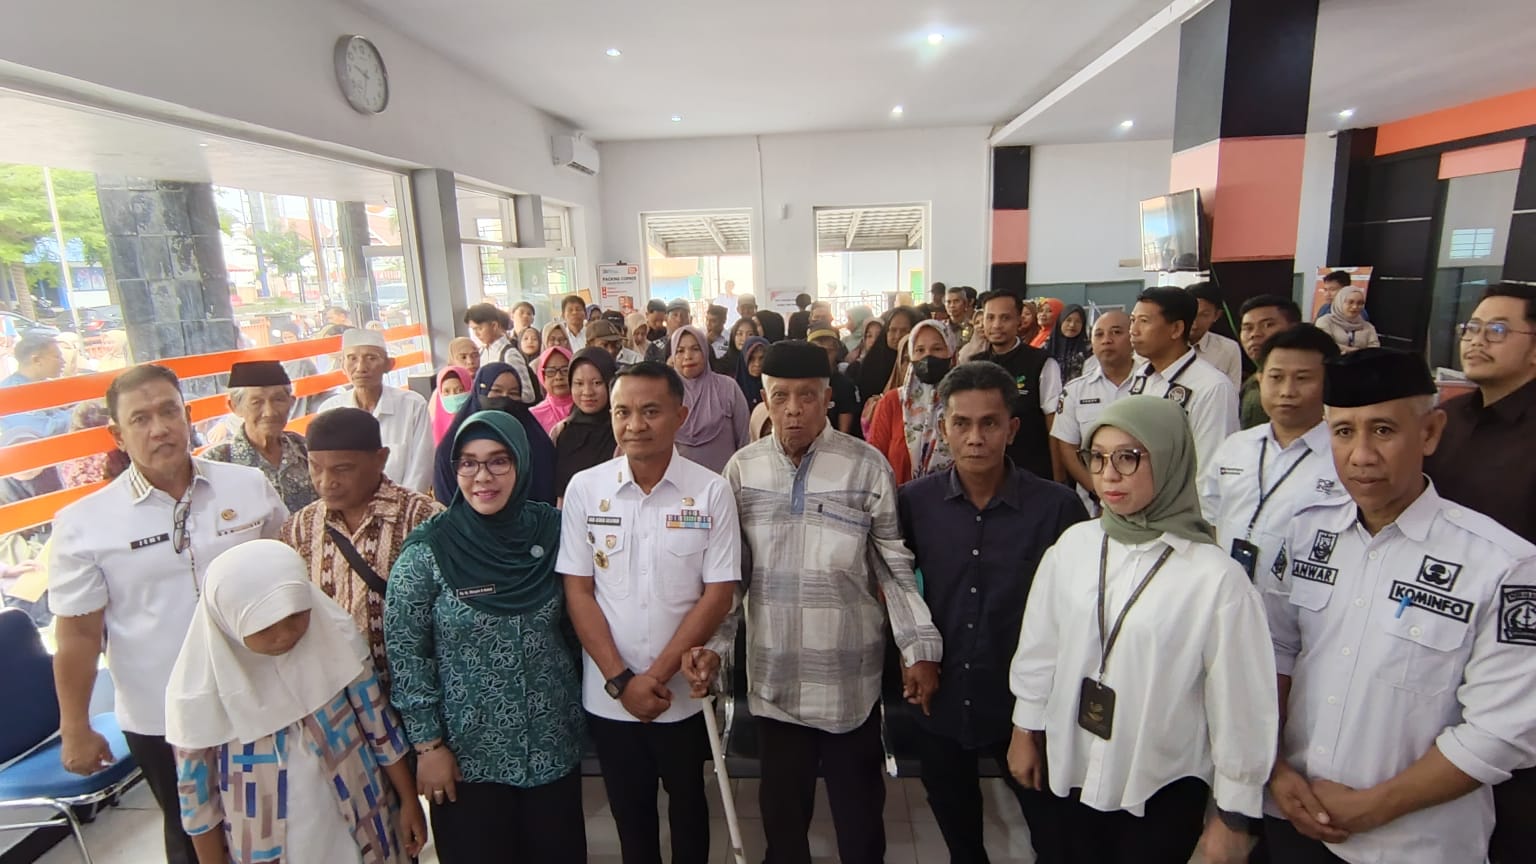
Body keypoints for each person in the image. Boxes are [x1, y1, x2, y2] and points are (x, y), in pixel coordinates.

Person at [1258, 348, 1536, 864]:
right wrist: (1273, 765)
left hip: (1414, 845)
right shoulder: (1303, 533)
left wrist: (1373, 807)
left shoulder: (1503, 565)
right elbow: (1275, 652)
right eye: (1343, 432)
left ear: (1429, 432)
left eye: (1383, 430)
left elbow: (1502, 731)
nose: (1361, 455)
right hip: (1293, 821)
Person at [684, 340, 943, 864]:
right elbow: (731, 579)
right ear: (764, 399)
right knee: (782, 820)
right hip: (774, 677)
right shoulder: (742, 471)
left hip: (849, 679)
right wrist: (715, 645)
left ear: (828, 398)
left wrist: (919, 648)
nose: (794, 409)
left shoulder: (865, 466)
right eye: (780, 396)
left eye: (807, 396)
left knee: (860, 819)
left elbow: (893, 568)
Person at [1007, 395, 1278, 864]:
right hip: (1070, 761)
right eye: (1098, 457)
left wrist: (1234, 814)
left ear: (1170, 459)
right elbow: (1040, 646)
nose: (1108, 474)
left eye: (1128, 457)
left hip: (1160, 782)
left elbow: (1240, 703)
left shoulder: (1215, 578)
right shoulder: (1075, 546)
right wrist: (1024, 726)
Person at [48, 364, 288, 864]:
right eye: (140, 419)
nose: (159, 428)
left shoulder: (247, 487)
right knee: (192, 836)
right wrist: (75, 725)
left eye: (168, 412)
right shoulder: (84, 523)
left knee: (280, 820)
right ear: (118, 434)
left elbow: (286, 575)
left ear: (188, 415)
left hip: (262, 690)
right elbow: (78, 635)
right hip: (161, 715)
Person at [900, 361, 1088, 863]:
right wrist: (911, 654)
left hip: (1025, 704)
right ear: (943, 428)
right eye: (961, 423)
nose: (975, 438)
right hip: (941, 695)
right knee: (959, 831)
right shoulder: (915, 503)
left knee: (1054, 834)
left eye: (990, 423)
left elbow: (1077, 614)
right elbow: (896, 588)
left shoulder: (1057, 509)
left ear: (1013, 428)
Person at [559, 361, 741, 864]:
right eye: (623, 412)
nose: (634, 424)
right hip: (610, 696)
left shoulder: (710, 491)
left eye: (650, 411)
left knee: (689, 807)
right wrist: (622, 681)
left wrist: (654, 678)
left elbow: (717, 594)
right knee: (630, 815)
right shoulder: (585, 489)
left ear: (681, 415)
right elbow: (578, 591)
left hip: (681, 695)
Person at [386, 411, 587, 863]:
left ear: (522, 462)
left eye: (499, 461)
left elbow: (580, 626)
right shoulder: (429, 551)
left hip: (552, 745)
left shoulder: (554, 532)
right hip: (466, 760)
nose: (482, 477)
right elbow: (407, 655)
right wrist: (428, 746)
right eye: (468, 462)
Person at [167, 540, 427, 864]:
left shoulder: (338, 641)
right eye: (264, 627)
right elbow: (199, 807)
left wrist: (408, 800)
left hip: (364, 824)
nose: (284, 634)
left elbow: (381, 731)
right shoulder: (197, 699)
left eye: (295, 615)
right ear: (227, 622)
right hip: (267, 845)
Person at [1420, 283, 1536, 864]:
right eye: (1471, 328)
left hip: (1515, 635)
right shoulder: (1447, 418)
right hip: (1430, 615)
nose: (1476, 340)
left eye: (1497, 330)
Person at [282, 407, 442, 693]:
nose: (326, 482)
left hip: (416, 691)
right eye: (315, 467)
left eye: (342, 469)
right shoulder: (299, 529)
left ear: (381, 459)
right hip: (336, 696)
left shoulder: (425, 519)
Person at [1197, 325, 1341, 585]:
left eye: (1303, 378)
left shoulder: (1343, 457)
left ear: (1328, 383)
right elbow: (1211, 517)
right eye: (1276, 377)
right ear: (1260, 379)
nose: (1287, 391)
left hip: (1302, 599)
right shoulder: (1236, 446)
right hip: (1230, 592)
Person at [1128, 287, 1238, 470]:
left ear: (1176, 329)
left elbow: (1211, 467)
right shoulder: (1141, 376)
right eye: (1132, 320)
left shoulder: (1212, 387)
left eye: (1144, 321)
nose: (1133, 330)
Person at [317, 329, 434, 493]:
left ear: (389, 365)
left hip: (403, 504)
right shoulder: (329, 411)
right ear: (342, 365)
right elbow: (324, 470)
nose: (361, 368)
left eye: (371, 358)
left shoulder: (412, 405)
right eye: (352, 358)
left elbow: (421, 468)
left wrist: (399, 506)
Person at [432, 361, 557, 507]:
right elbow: (447, 501)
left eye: (513, 393)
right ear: (479, 393)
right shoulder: (451, 448)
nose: (505, 399)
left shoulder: (536, 442)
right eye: (496, 391)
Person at [1053, 309, 1136, 515]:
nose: (1106, 340)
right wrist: (1099, 490)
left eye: (1116, 332)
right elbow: (1068, 449)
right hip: (1093, 505)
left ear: (1132, 336)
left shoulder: (1153, 384)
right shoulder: (1075, 391)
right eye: (1099, 334)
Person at [204, 361, 317, 513]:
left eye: (278, 400)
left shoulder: (306, 450)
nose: (269, 412)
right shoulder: (215, 463)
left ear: (291, 403)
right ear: (235, 407)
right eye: (256, 402)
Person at [976, 291, 1063, 481]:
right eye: (990, 318)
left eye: (1005, 318)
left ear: (1019, 320)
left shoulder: (1041, 363)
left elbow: (1054, 423)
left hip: (1032, 471)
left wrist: (1058, 477)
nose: (996, 325)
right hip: (985, 473)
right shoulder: (974, 364)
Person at [868, 320, 956, 485]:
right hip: (900, 498)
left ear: (951, 353)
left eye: (937, 349)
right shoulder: (892, 402)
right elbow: (874, 462)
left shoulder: (964, 402)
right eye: (920, 350)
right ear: (911, 356)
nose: (928, 356)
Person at [670, 325, 750, 473]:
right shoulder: (665, 393)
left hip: (724, 479)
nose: (688, 356)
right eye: (680, 351)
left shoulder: (728, 387)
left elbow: (745, 439)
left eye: (695, 349)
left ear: (705, 351)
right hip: (678, 481)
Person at [550, 347, 618, 501]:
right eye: (579, 383)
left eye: (597, 383)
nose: (587, 392)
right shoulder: (561, 431)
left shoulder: (620, 431)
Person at [1237, 296, 1303, 430]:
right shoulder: (1253, 381)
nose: (1255, 334)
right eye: (1248, 328)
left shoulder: (1311, 379)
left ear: (1294, 328)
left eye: (1268, 325)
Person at [854, 306, 918, 424]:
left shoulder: (918, 362)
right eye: (893, 330)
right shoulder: (872, 362)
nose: (898, 335)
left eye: (904, 331)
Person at [1, 330, 69, 435]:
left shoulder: (42, 385)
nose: (63, 362)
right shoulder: (12, 393)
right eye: (57, 357)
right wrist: (77, 413)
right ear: (37, 360)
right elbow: (44, 429)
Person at [1186, 282, 1244, 387]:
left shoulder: (1228, 349)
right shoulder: (1164, 344)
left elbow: (1233, 391)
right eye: (1190, 313)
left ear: (1216, 315)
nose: (1194, 321)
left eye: (1204, 315)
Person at [809, 328, 858, 435]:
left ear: (836, 352)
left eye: (829, 351)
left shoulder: (844, 385)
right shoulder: (799, 381)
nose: (823, 356)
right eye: (817, 351)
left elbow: (844, 432)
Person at [1315, 286, 1380, 354]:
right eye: (1350, 302)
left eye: (1360, 303)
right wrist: (1355, 352)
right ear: (1340, 302)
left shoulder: (1368, 327)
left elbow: (1374, 351)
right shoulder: (1325, 321)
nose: (1355, 307)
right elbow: (1325, 345)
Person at [530, 345, 574, 435]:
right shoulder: (533, 417)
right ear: (542, 376)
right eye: (550, 371)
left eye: (565, 370)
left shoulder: (588, 407)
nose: (558, 377)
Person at [1044, 303, 1092, 382]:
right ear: (1061, 321)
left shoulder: (1089, 349)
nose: (1072, 325)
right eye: (1068, 320)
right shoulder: (1047, 346)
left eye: (1078, 321)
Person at [430, 365, 473, 444]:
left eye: (459, 390)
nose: (453, 396)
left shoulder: (480, 421)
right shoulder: (431, 429)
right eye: (446, 391)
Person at [734, 334, 769, 411]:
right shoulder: (733, 391)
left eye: (761, 358)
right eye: (751, 359)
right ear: (744, 360)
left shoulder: (775, 389)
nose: (757, 364)